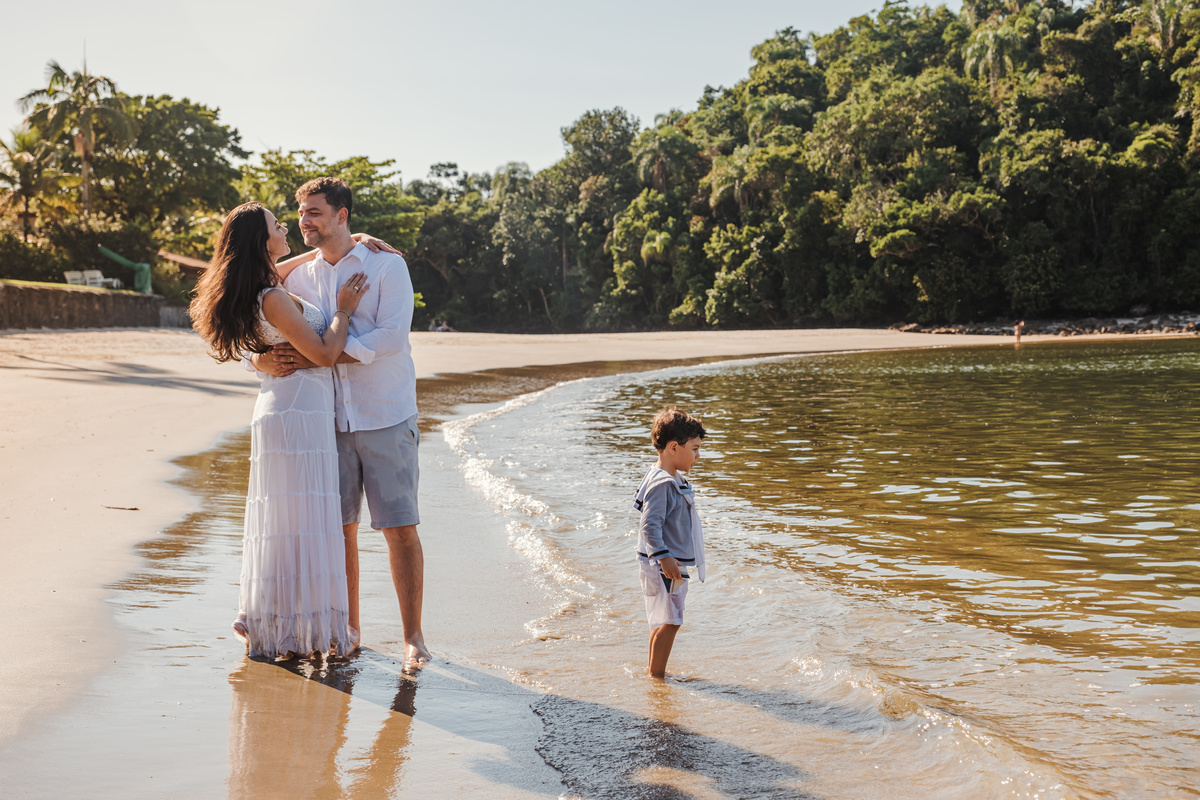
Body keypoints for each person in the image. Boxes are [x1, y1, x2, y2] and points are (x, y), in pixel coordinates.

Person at [251, 177, 432, 670]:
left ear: (342, 215)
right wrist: (259, 363)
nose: (305, 221)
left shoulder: (386, 265)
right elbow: (254, 296)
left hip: (385, 414)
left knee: (400, 528)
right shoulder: (299, 278)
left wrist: (319, 358)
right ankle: (348, 630)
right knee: (340, 531)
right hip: (325, 421)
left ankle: (413, 637)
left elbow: (390, 337)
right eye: (301, 214)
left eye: (314, 213)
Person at [190, 201, 372, 660]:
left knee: (286, 525)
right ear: (262, 240)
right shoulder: (271, 296)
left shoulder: (261, 285)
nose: (286, 226)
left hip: (283, 408)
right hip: (297, 414)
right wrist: (344, 310)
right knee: (302, 525)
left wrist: (360, 243)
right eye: (277, 224)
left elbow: (292, 266)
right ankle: (298, 631)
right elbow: (327, 352)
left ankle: (278, 625)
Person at [632, 406, 707, 679]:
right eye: (695, 448)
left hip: (665, 562)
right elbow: (649, 526)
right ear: (674, 447)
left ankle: (653, 672)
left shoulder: (667, 476)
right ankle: (657, 678)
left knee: (662, 620)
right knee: (672, 621)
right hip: (666, 565)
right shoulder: (663, 483)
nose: (698, 456)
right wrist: (664, 557)